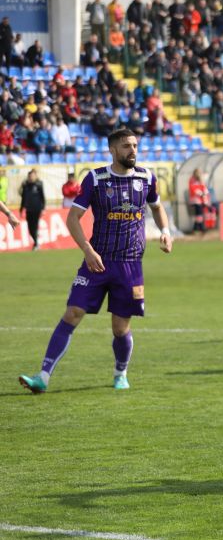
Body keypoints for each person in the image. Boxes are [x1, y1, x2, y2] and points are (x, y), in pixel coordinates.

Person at [18, 129, 173, 393]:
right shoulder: (96, 179)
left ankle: (120, 373)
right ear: (113, 150)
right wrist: (88, 250)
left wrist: (165, 232)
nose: (132, 150)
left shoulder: (146, 178)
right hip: (96, 261)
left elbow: (157, 207)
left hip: (130, 264)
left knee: (119, 328)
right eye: (126, 146)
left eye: (135, 145)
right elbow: (72, 218)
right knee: (72, 313)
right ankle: (43, 376)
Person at [19, 169, 46, 251]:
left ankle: (36, 244)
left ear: (35, 176)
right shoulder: (25, 185)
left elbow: (42, 197)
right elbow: (23, 198)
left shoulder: (39, 184)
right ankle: (36, 243)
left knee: (34, 226)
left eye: (32, 175)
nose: (31, 177)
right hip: (28, 209)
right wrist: (21, 209)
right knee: (30, 228)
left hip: (37, 209)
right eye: (30, 176)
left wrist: (43, 208)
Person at [187, 169, 209, 234]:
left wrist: (205, 192)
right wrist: (200, 193)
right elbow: (193, 189)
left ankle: (196, 229)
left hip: (201, 200)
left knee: (199, 214)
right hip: (195, 200)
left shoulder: (200, 179)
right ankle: (201, 228)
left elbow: (203, 187)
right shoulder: (192, 179)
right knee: (199, 214)